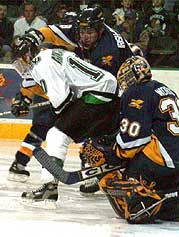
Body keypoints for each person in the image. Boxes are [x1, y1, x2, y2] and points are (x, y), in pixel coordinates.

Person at [80, 55, 179, 224]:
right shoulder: (163, 89)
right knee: (158, 203)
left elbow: (131, 143)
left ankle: (142, 199)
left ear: (129, 76)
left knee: (131, 208)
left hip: (158, 161)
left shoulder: (136, 91)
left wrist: (107, 155)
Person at [13, 42, 120, 208]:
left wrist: (53, 112)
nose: (20, 66)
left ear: (28, 55)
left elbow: (61, 101)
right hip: (110, 93)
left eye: (20, 61)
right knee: (94, 136)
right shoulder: (50, 54)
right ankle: (110, 173)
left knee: (56, 135)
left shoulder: (40, 63)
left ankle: (49, 188)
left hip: (96, 95)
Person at [8, 12, 78, 182]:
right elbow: (30, 79)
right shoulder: (48, 51)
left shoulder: (54, 49)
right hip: (54, 100)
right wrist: (22, 100)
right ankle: (42, 173)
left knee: (42, 132)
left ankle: (20, 164)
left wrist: (23, 98)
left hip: (59, 99)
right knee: (56, 134)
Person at [77, 6, 136, 193]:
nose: (85, 36)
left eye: (89, 32)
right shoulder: (103, 34)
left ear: (99, 29)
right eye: (82, 31)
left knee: (95, 131)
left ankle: (98, 173)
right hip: (125, 90)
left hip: (125, 94)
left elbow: (103, 91)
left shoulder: (106, 53)